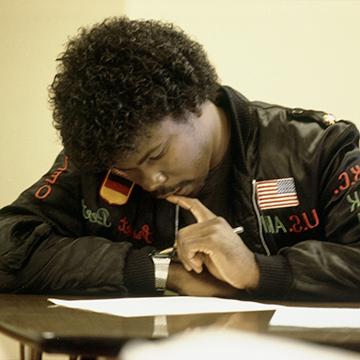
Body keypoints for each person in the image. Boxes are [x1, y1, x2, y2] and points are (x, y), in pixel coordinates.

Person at [0, 16, 359, 300]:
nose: (151, 181)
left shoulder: (323, 147)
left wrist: (258, 271)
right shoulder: (98, 157)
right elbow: (8, 244)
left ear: (194, 100)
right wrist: (162, 273)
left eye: (157, 154)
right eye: (128, 170)